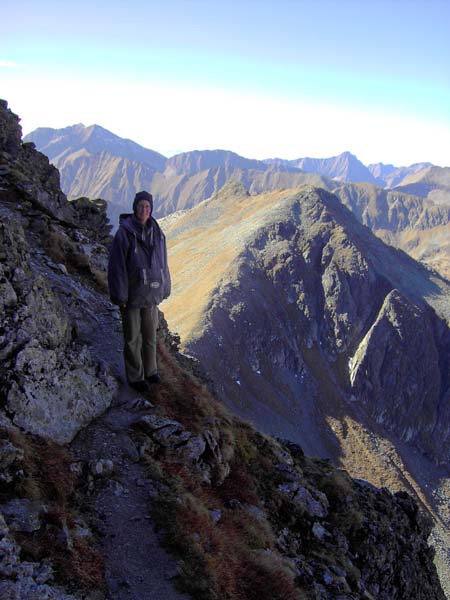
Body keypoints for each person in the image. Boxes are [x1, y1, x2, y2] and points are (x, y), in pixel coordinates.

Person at [108, 191, 171, 393]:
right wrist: (120, 295)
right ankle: (136, 377)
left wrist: (165, 286)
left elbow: (163, 263)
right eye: (141, 206)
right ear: (134, 207)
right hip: (132, 296)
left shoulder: (158, 233)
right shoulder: (124, 234)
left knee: (150, 335)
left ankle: (151, 371)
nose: (144, 210)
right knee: (132, 337)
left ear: (151, 209)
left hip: (151, 294)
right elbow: (117, 267)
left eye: (148, 207)